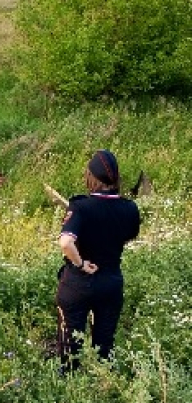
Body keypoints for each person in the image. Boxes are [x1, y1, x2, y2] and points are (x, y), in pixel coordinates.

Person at [56, 150, 140, 372]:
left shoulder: (80, 206)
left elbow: (66, 243)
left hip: (78, 283)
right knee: (104, 346)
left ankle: (69, 384)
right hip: (111, 281)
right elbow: (127, 236)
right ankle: (103, 385)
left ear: (91, 177)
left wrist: (81, 263)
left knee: (70, 345)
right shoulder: (130, 208)